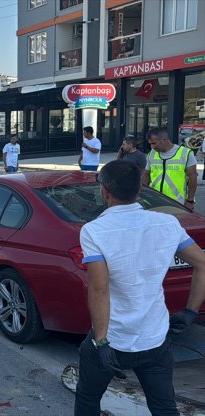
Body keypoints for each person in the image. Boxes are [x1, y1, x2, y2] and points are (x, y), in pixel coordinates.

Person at [75, 160, 205, 416]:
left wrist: (101, 342)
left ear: (105, 191)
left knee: (89, 399)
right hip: (155, 338)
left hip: (113, 340)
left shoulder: (94, 231)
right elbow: (202, 263)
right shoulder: (167, 223)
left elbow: (100, 290)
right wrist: (191, 311)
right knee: (164, 407)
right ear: (139, 189)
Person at [143, 127, 198, 210]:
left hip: (177, 203)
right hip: (154, 201)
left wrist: (190, 200)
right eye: (150, 144)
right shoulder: (152, 154)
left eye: (154, 143)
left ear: (164, 139)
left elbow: (193, 177)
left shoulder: (185, 153)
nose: (152, 147)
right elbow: (146, 175)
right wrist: (144, 196)